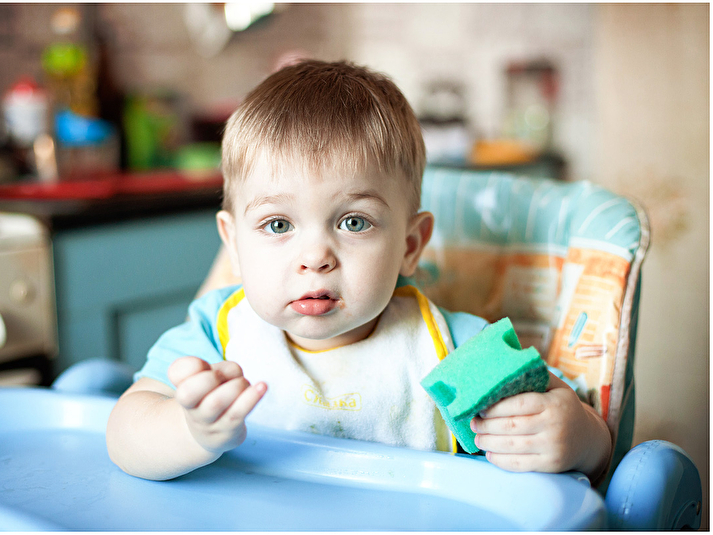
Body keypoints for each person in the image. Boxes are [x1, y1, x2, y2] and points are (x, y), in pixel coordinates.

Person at [106, 60, 612, 484]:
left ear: (409, 246)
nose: (315, 257)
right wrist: (189, 429)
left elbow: (581, 434)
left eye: (353, 222)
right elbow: (124, 431)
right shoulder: (216, 336)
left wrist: (578, 438)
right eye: (278, 224)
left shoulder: (453, 352)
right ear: (234, 243)